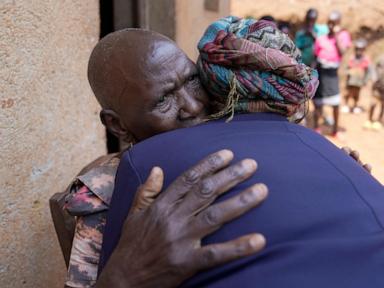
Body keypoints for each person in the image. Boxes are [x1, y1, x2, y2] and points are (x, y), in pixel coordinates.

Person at [64, 19, 369, 287]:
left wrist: (340, 183)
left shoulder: (248, 134)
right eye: (163, 102)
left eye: (192, 80)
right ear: (117, 125)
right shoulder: (105, 194)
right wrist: (125, 275)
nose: (194, 106)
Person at [313, 11, 352, 138]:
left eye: (333, 23)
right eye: (329, 22)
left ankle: (335, 129)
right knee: (318, 102)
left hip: (332, 73)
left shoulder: (343, 36)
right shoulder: (321, 38)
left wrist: (335, 36)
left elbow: (342, 53)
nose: (330, 25)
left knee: (335, 102)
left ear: (339, 23)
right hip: (321, 71)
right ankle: (316, 127)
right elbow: (316, 55)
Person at [342, 39, 371, 114]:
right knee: (348, 92)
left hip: (359, 80)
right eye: (357, 49)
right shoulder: (352, 58)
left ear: (363, 50)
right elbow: (347, 68)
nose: (359, 51)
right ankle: (346, 105)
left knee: (357, 93)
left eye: (361, 49)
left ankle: (355, 106)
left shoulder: (365, 59)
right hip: (351, 80)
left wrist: (365, 80)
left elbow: (367, 71)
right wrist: (347, 75)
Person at [364, 57, 384, 130]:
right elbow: (373, 68)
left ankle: (378, 120)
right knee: (373, 103)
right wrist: (374, 79)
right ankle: (369, 120)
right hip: (377, 86)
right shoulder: (381, 58)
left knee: (382, 105)